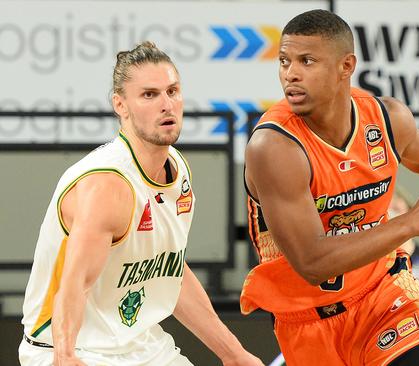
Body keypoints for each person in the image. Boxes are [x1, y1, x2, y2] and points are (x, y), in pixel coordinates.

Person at [240, 9, 419, 366]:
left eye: (307, 61)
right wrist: (410, 222)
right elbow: (313, 261)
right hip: (310, 320)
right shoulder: (274, 147)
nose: (291, 74)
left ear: (346, 66)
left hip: (385, 294)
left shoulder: (386, 117)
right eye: (284, 61)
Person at [19, 42, 263, 366]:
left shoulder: (178, 170)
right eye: (149, 95)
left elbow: (170, 272)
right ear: (121, 105)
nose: (167, 105)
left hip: (143, 345)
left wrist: (234, 355)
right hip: (72, 349)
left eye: (172, 91)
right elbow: (74, 285)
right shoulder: (107, 185)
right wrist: (64, 356)